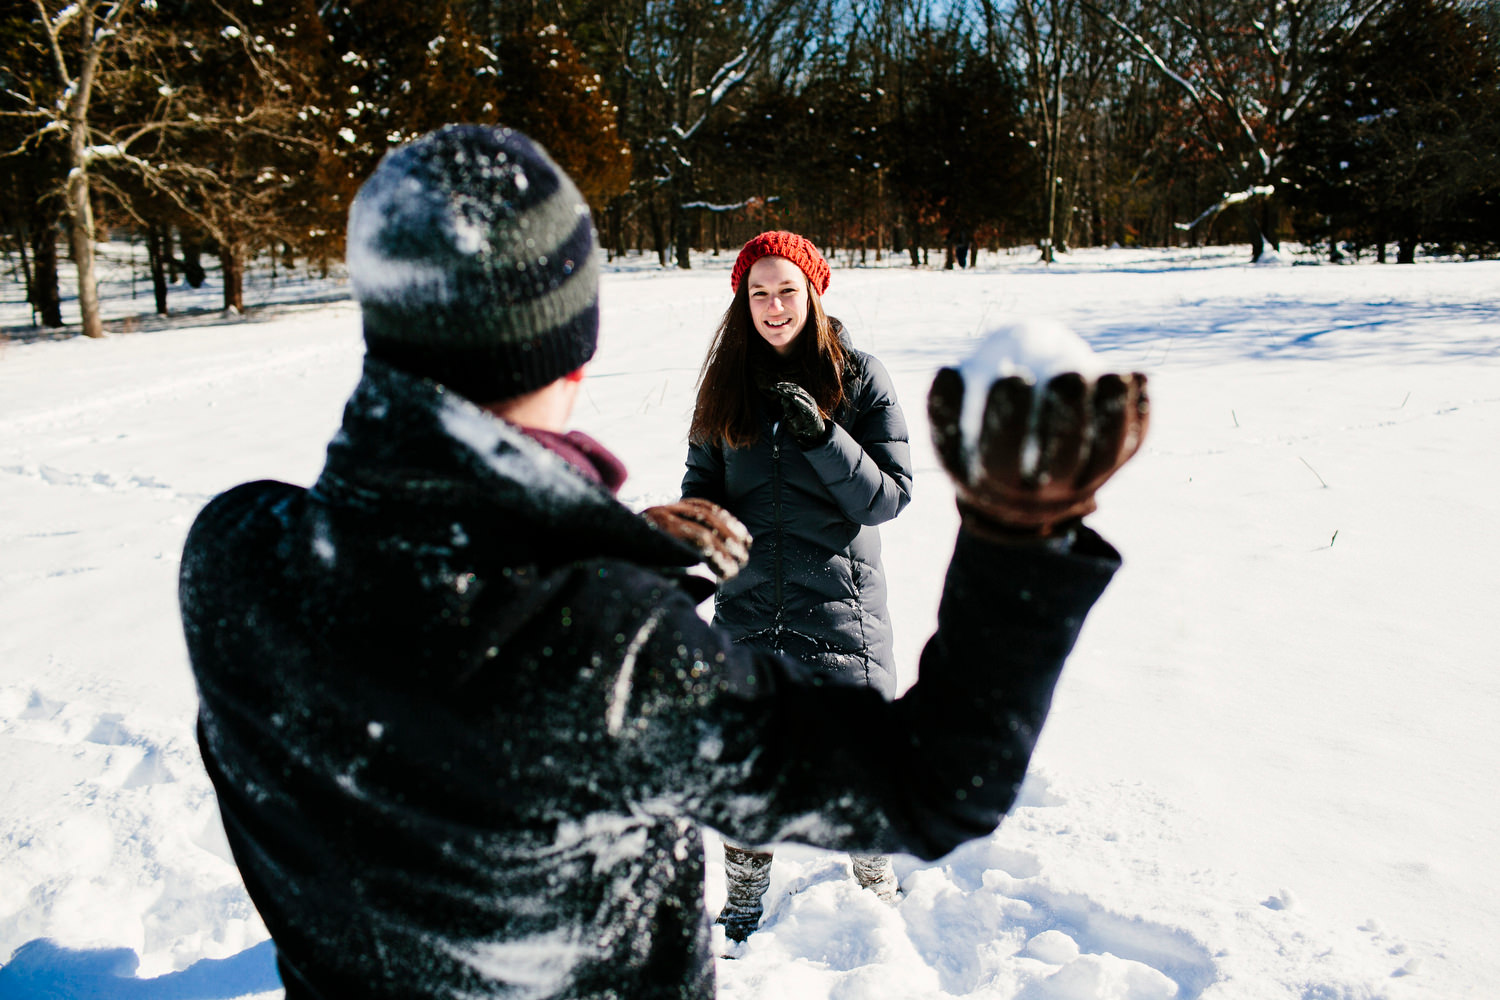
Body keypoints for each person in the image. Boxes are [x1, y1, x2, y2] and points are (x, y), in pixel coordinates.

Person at [178, 124, 1149, 1000]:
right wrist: (1021, 536)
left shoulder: (231, 554)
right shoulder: (611, 652)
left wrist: (622, 553)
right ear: (571, 354)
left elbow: (437, 681)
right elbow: (933, 785)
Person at [680, 231, 911, 940]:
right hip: (749, 607)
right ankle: (745, 895)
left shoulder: (859, 377)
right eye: (759, 293)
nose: (774, 306)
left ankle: (875, 885)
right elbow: (701, 490)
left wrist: (822, 435)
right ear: (741, 303)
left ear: (813, 292)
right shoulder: (725, 386)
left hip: (839, 607)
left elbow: (887, 498)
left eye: (787, 291)